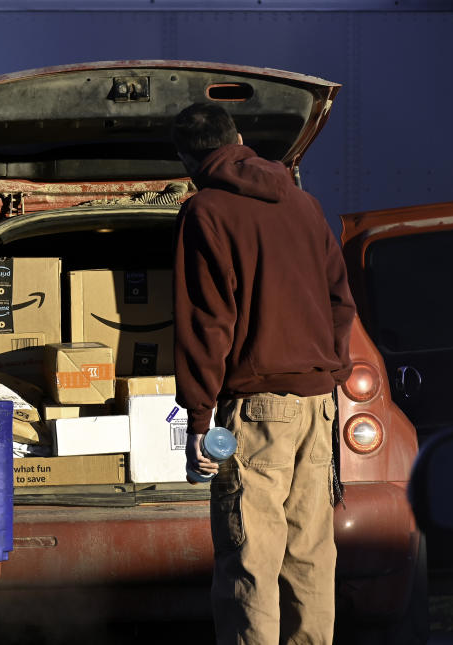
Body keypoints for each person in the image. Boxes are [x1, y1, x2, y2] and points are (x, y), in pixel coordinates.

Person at [171, 103, 355, 644]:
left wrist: (200, 418)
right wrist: (329, 368)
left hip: (256, 411)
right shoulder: (304, 204)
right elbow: (341, 301)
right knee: (311, 557)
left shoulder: (205, 212)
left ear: (187, 159)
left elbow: (209, 324)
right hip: (318, 405)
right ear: (241, 137)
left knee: (250, 556)